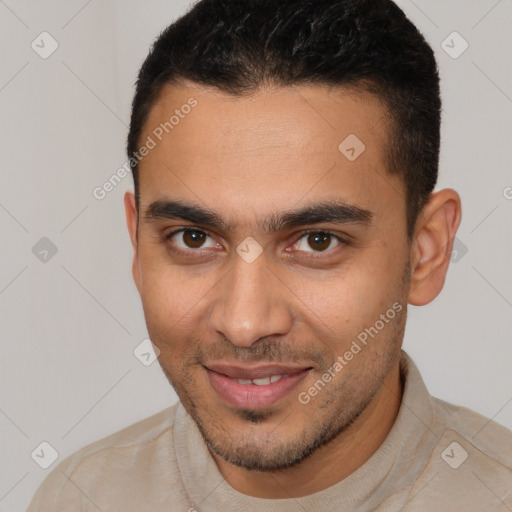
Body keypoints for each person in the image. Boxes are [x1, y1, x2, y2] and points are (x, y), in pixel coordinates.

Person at [27, 0, 512, 510]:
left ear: (427, 251)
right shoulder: (78, 497)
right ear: (137, 246)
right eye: (193, 238)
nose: (244, 324)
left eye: (317, 241)